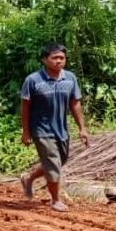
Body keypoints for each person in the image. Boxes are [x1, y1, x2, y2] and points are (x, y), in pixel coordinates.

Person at [20, 42, 89, 212]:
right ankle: (55, 200)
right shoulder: (33, 80)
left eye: (62, 58)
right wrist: (26, 132)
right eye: (55, 58)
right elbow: (25, 107)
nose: (59, 61)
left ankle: (29, 178)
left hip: (61, 129)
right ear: (44, 60)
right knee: (53, 163)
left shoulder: (70, 78)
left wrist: (82, 128)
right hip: (41, 129)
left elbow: (75, 104)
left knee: (60, 161)